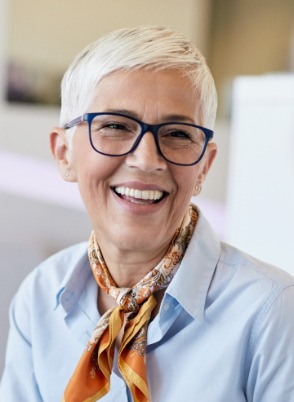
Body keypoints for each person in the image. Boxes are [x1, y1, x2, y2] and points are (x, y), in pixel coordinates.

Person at [1, 25, 294, 402]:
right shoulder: (39, 297)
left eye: (177, 134)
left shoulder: (271, 313)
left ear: (204, 165)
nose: (146, 161)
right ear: (63, 154)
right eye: (115, 126)